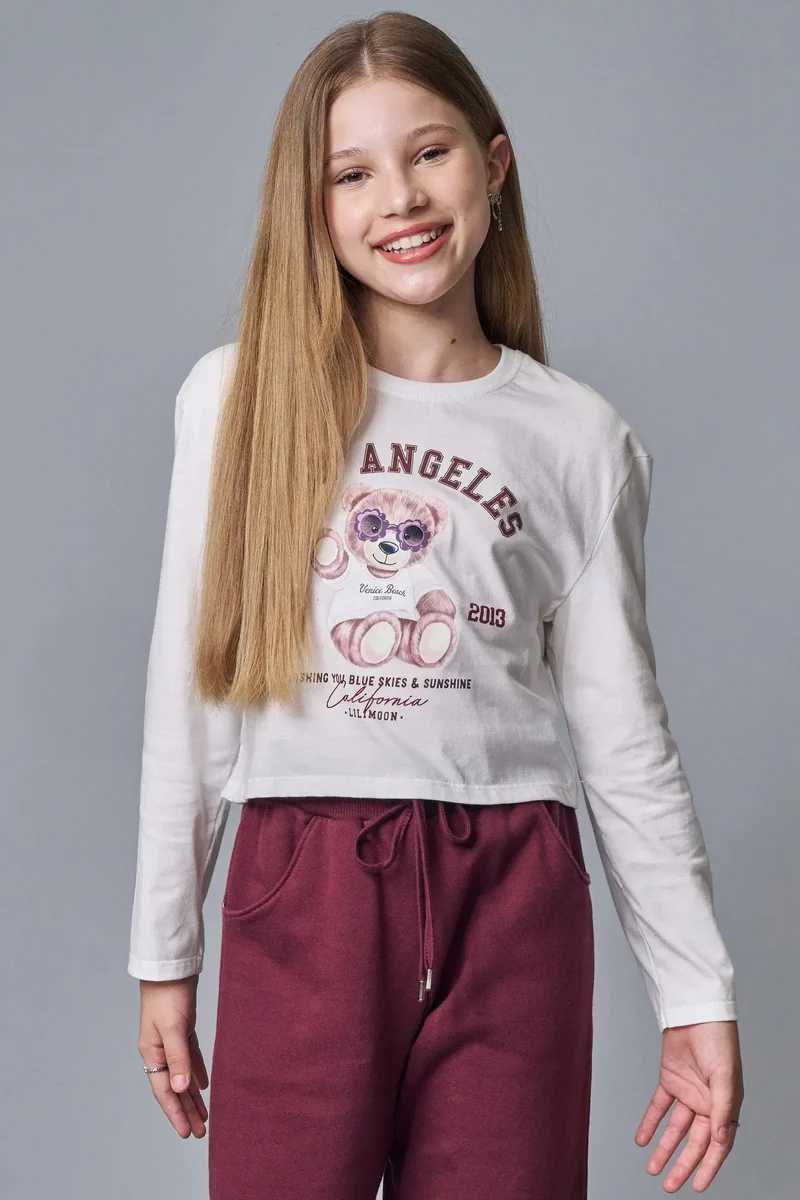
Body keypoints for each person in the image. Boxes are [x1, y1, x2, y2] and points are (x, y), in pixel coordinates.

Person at [128, 11, 743, 1198]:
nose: (398, 198)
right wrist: (166, 949)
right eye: (349, 173)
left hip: (514, 893)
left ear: (492, 164)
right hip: (304, 881)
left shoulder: (577, 438)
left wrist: (693, 993)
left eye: (428, 153)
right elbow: (188, 689)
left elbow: (624, 740)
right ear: (310, 208)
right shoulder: (239, 399)